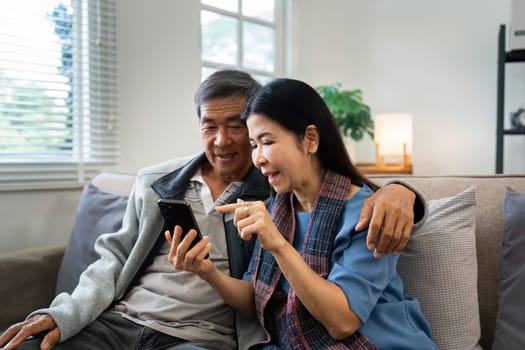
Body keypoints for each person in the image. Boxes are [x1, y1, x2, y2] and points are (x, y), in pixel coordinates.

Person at [0, 70, 424, 350]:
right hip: (121, 323)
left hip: (206, 338)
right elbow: (113, 261)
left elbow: (341, 320)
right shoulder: (266, 203)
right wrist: (65, 313)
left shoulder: (278, 199)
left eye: (246, 132)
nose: (225, 142)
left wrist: (403, 192)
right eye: (209, 126)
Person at [173, 78, 437, 349]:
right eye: (254, 145)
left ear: (310, 139)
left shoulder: (369, 212)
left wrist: (277, 244)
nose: (258, 158)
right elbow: (256, 299)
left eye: (267, 142)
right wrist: (206, 272)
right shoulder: (278, 209)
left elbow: (342, 322)